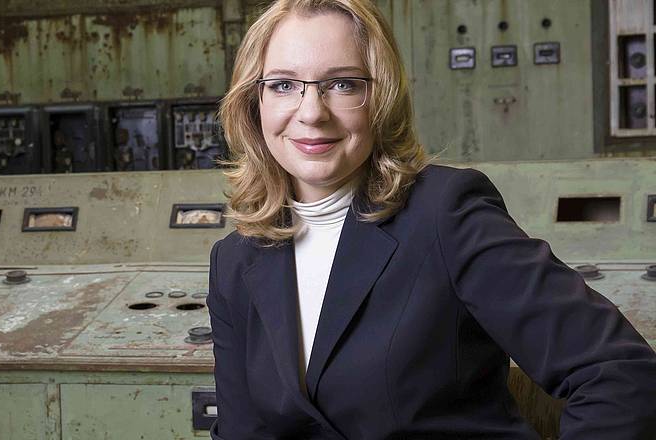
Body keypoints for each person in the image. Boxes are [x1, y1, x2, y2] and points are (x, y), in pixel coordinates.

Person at [207, 0, 656, 438]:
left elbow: (621, 374)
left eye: (343, 84)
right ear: (253, 102)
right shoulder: (235, 260)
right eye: (283, 85)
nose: (311, 112)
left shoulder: (446, 213)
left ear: (381, 98)